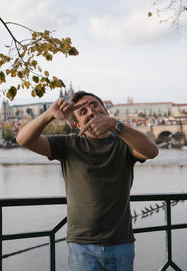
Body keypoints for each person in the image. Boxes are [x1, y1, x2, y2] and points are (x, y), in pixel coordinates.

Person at [16, 90, 159, 271]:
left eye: (94, 105)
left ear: (105, 111)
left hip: (121, 242)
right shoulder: (69, 144)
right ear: (76, 124)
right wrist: (48, 115)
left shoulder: (124, 144)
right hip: (82, 246)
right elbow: (22, 139)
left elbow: (151, 152)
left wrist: (117, 126)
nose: (91, 112)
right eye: (82, 112)